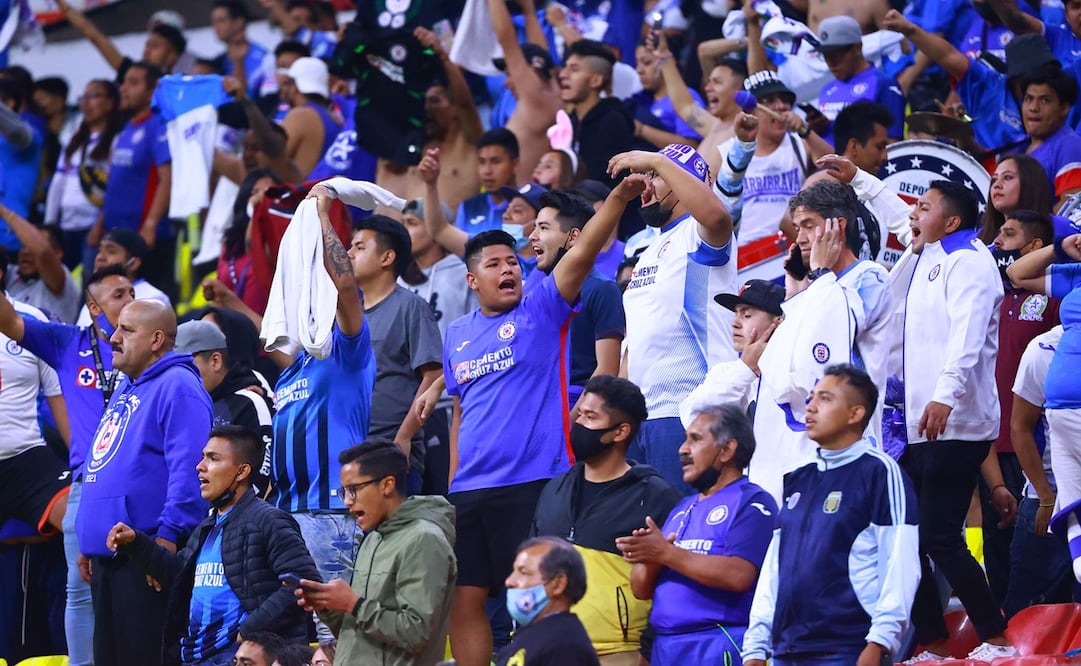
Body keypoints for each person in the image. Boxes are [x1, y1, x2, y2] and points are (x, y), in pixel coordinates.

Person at [443, 174, 648, 666]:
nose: (508, 268)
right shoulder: (456, 334)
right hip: (470, 488)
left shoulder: (541, 307)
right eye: (494, 263)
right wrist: (453, 485)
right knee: (464, 599)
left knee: (536, 597)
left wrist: (618, 199)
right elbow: (459, 412)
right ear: (473, 280)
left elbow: (583, 251)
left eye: (513, 260)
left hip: (533, 480)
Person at [888, 180, 1017, 661]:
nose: (913, 214)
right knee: (910, 543)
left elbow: (965, 337)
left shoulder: (971, 262)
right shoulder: (928, 255)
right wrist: (856, 179)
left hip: (956, 421)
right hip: (916, 426)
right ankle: (935, 645)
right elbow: (892, 211)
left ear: (952, 221)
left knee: (939, 535)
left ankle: (997, 638)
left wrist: (943, 395)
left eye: (923, 207)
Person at [1, 263, 134, 666]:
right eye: (119, 295)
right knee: (80, 588)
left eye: (132, 293)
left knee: (119, 580)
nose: (130, 301)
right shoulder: (66, 344)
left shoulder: (149, 352)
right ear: (94, 308)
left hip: (123, 479)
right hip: (87, 482)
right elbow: (8, 319)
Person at [742, 365, 919, 666]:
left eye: (824, 399)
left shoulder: (879, 472)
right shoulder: (798, 480)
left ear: (855, 414)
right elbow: (775, 569)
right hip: (786, 650)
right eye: (811, 397)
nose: (810, 407)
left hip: (849, 647)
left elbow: (900, 562)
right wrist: (756, 646)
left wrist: (880, 641)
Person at [106, 425, 320, 664]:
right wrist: (137, 543)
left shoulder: (268, 520)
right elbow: (178, 577)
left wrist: (248, 630)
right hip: (196, 657)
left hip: (238, 657)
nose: (200, 466)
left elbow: (303, 581)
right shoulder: (206, 527)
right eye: (203, 457)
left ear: (242, 472)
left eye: (213, 458)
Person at [78, 299, 212, 666]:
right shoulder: (127, 387)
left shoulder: (178, 386)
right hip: (110, 556)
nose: (114, 338)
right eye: (117, 328)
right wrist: (90, 537)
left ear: (156, 340)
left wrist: (168, 537)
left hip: (146, 556)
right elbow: (104, 464)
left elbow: (191, 469)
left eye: (127, 330)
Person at [274, 180, 377, 644]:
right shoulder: (288, 371)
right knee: (290, 640)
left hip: (331, 513)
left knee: (332, 639)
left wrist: (318, 217)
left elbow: (347, 284)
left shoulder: (346, 352)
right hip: (285, 516)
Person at [531, 375, 682, 664]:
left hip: (618, 654)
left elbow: (673, 585)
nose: (579, 423)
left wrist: (648, 653)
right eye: (580, 414)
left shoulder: (656, 497)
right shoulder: (555, 489)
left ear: (620, 431)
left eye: (590, 417)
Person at [617, 143, 736, 491]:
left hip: (689, 408)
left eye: (655, 176)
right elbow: (636, 340)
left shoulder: (700, 233)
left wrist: (656, 159)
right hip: (642, 419)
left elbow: (717, 217)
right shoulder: (649, 248)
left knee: (683, 529)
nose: (644, 184)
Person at [618, 403, 776, 664]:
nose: (682, 450)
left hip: (717, 642)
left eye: (695, 439)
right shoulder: (682, 508)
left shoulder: (752, 502)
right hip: (666, 646)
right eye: (684, 439)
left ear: (727, 449)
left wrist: (667, 553)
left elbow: (739, 575)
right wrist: (650, 557)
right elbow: (640, 589)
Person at [295, 440, 456, 666]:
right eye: (343, 492)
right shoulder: (372, 540)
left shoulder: (424, 539)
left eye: (354, 490)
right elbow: (357, 636)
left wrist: (354, 604)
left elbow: (417, 634)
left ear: (387, 485)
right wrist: (327, 607)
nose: (348, 502)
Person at [985, 210, 1060, 604]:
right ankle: (1002, 635)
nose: (997, 240)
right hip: (990, 440)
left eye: (1008, 234)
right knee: (997, 545)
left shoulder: (1053, 296)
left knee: (1032, 551)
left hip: (1036, 444)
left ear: (1034, 247)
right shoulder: (990, 296)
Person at [347, 215, 443, 494]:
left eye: (360, 247)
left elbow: (433, 376)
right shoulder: (347, 317)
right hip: (349, 453)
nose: (349, 253)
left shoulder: (411, 307)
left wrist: (404, 437)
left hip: (391, 452)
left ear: (387, 257)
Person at [1007, 233, 1081, 584]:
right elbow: (1017, 274)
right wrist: (1060, 247)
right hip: (1057, 434)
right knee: (1073, 520)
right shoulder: (1075, 276)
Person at [528, 191, 626, 412]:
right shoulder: (536, 293)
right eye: (535, 227)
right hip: (538, 406)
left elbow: (607, 369)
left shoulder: (603, 289)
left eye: (543, 228)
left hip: (578, 408)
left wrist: (573, 421)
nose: (532, 236)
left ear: (573, 237)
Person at [1005, 325, 1076, 617]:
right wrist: (1045, 496)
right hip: (1047, 493)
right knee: (1027, 606)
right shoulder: (1044, 350)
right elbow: (1019, 428)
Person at [91, 61, 174, 297]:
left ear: (152, 90)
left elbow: (166, 178)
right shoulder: (126, 127)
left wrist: (150, 225)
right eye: (124, 82)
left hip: (143, 238)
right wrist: (100, 223)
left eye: (133, 83)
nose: (124, 88)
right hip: (115, 232)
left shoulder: (158, 126)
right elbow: (116, 183)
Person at [175, 320, 275, 497]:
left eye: (187, 365)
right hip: (203, 520)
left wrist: (234, 513)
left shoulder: (249, 402)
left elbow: (264, 469)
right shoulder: (185, 405)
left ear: (215, 361)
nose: (180, 375)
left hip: (241, 519)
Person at [43, 78, 123, 273]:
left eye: (94, 96)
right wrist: (49, 226)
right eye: (83, 97)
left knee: (91, 282)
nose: (86, 103)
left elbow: (115, 189)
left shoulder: (117, 140)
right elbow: (58, 184)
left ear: (111, 103)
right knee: (55, 278)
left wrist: (99, 224)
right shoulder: (74, 141)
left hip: (93, 227)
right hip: (65, 226)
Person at [487, 0, 563, 186]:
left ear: (531, 72)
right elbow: (542, 55)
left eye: (510, 73)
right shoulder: (550, 93)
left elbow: (507, 40)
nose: (507, 82)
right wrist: (529, 11)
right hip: (526, 198)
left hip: (522, 198)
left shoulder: (537, 98)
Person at [495, 537, 600, 666]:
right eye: (514, 572)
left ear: (558, 584)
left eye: (523, 572)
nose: (509, 581)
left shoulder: (566, 646)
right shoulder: (531, 636)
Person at [813, 15, 906, 145]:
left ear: (857, 48)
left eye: (836, 55)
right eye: (826, 56)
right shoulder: (827, 89)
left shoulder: (884, 84)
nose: (831, 63)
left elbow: (893, 143)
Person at [561, 40, 635, 189]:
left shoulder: (612, 122)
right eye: (565, 67)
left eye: (574, 69)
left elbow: (610, 184)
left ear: (596, 80)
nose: (563, 75)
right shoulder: (571, 121)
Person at [54, 0, 190, 80]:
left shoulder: (185, 84)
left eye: (155, 46)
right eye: (147, 45)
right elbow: (95, 37)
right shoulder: (131, 72)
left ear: (174, 55)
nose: (147, 50)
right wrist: (64, 6)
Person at [1, 206, 81, 322]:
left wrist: (3, 211)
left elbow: (42, 251)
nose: (25, 251)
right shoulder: (11, 274)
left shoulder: (61, 282)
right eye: (23, 246)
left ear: (57, 254)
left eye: (31, 246)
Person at [76, 228, 171, 325]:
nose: (100, 257)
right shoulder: (95, 295)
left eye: (111, 251)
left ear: (133, 263)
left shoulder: (153, 299)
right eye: (99, 251)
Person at [630, 39, 704, 150]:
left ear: (668, 61)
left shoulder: (687, 97)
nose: (639, 70)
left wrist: (641, 130)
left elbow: (692, 146)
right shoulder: (638, 101)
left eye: (646, 62)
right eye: (637, 63)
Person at [276, 57, 342, 179]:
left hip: (299, 195)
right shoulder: (337, 119)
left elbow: (271, 160)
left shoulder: (301, 115)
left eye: (287, 83)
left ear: (295, 87)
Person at [454, 128, 520, 233]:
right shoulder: (467, 208)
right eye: (482, 162)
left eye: (496, 161)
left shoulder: (527, 208)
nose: (487, 171)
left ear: (515, 164)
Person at [211, 0, 268, 97]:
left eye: (221, 21)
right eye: (213, 21)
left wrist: (238, 62)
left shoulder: (264, 58)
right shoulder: (217, 62)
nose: (215, 27)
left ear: (239, 22)